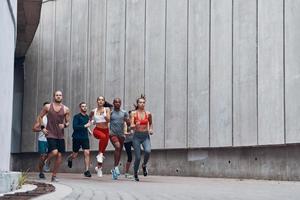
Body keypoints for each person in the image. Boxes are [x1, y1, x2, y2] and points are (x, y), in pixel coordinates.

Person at [33, 90, 70, 182]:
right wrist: (42, 127)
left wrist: (64, 125)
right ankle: (46, 161)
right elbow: (40, 117)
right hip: (50, 134)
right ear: (54, 96)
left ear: (62, 97)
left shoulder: (66, 109)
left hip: (60, 135)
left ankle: (54, 176)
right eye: (57, 95)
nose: (58, 96)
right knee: (54, 152)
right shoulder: (48, 107)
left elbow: (68, 122)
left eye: (60, 95)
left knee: (60, 155)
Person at [130, 95, 153, 181]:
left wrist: (150, 129)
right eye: (140, 102)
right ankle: (135, 173)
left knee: (148, 151)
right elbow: (131, 126)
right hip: (136, 136)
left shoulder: (148, 113)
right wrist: (135, 124)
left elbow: (150, 123)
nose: (142, 104)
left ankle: (144, 165)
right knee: (138, 157)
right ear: (137, 103)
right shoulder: (133, 113)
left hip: (145, 136)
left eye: (143, 102)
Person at [67, 102, 92, 177]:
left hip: (85, 137)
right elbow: (75, 127)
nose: (84, 107)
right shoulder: (76, 117)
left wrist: (89, 131)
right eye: (82, 106)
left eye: (85, 106)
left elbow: (87, 126)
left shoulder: (87, 117)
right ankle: (70, 159)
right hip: (76, 137)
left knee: (87, 153)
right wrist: (85, 126)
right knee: (75, 154)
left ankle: (87, 171)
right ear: (80, 108)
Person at [89, 96, 111, 177]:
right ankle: (99, 155)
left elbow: (109, 120)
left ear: (104, 101)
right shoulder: (93, 111)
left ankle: (99, 168)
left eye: (102, 100)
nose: (101, 101)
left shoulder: (107, 109)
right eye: (99, 100)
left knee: (102, 152)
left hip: (106, 131)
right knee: (103, 137)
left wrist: (105, 116)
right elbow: (90, 117)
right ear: (97, 101)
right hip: (97, 130)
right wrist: (92, 121)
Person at [109, 98, 130, 180]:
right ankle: (115, 167)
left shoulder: (124, 113)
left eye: (119, 102)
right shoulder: (110, 113)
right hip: (112, 134)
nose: (117, 103)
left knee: (119, 151)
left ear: (120, 103)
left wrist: (128, 126)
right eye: (116, 102)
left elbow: (128, 124)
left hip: (121, 135)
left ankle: (115, 168)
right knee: (117, 146)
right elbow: (106, 121)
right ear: (113, 103)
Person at [32, 101, 50, 179]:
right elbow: (34, 128)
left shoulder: (53, 117)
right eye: (45, 107)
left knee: (51, 154)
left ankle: (47, 162)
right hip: (42, 140)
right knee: (43, 157)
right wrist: (42, 130)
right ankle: (41, 172)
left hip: (51, 139)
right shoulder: (41, 118)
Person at [123, 110, 134, 179]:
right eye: (131, 114)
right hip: (127, 141)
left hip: (134, 140)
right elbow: (124, 132)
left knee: (139, 151)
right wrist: (130, 133)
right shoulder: (126, 122)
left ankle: (135, 168)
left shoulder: (135, 121)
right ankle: (126, 173)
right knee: (130, 157)